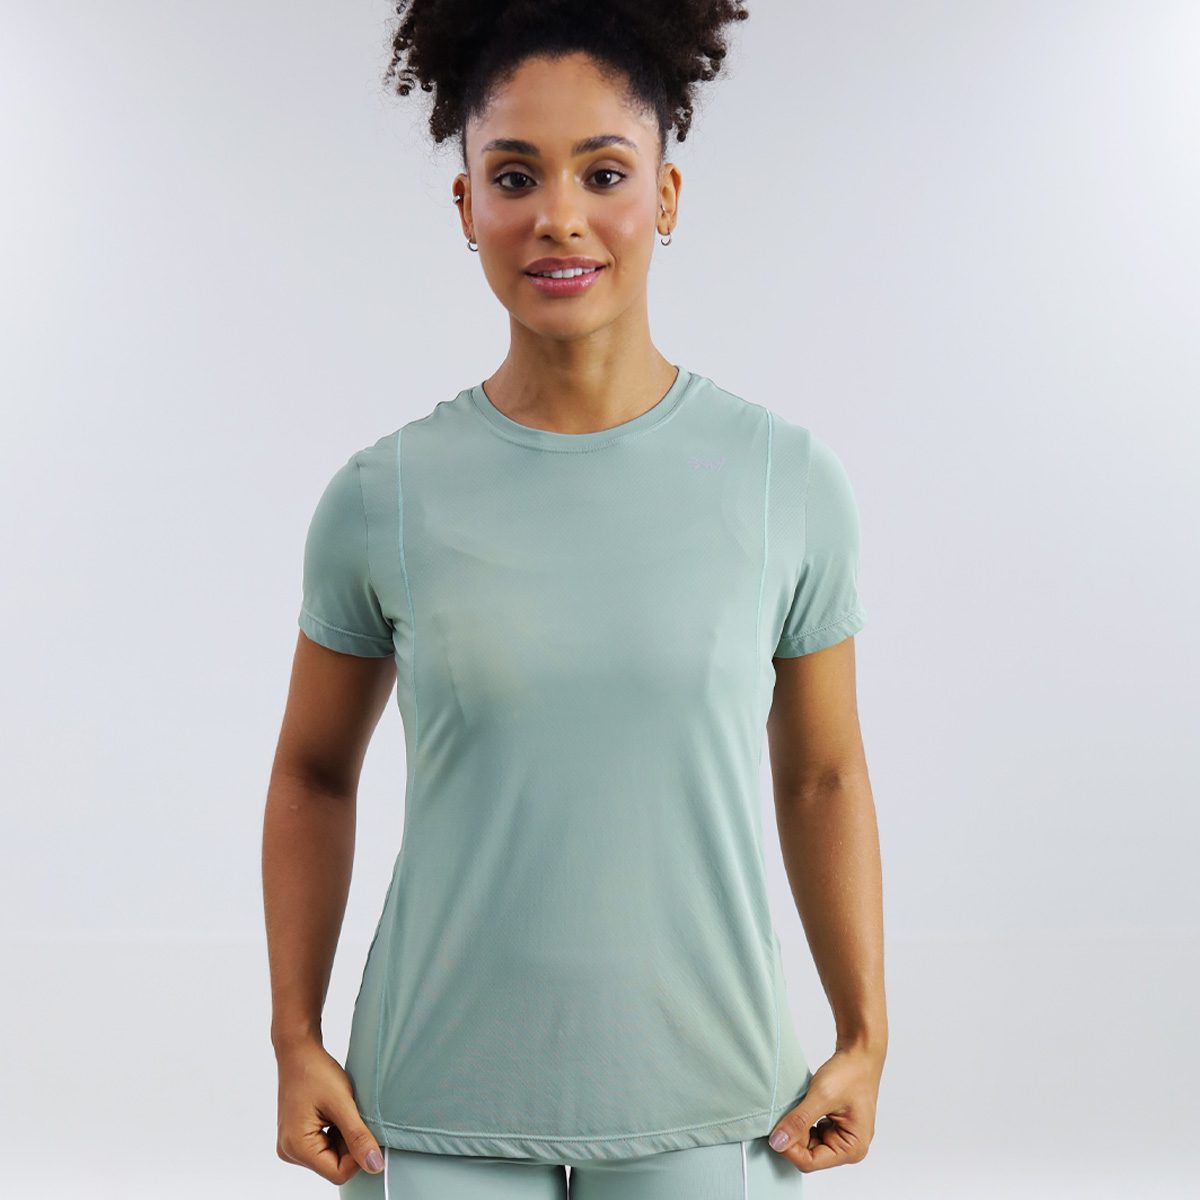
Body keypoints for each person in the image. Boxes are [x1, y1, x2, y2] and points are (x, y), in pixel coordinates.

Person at [261, 1, 887, 1196]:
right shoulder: (383, 496)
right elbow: (311, 774)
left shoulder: (783, 481)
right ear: (466, 208)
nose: (558, 215)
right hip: (425, 1112)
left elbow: (823, 775)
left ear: (665, 195)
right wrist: (295, 1039)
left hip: (719, 1110)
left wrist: (866, 1032)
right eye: (514, 176)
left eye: (604, 172)